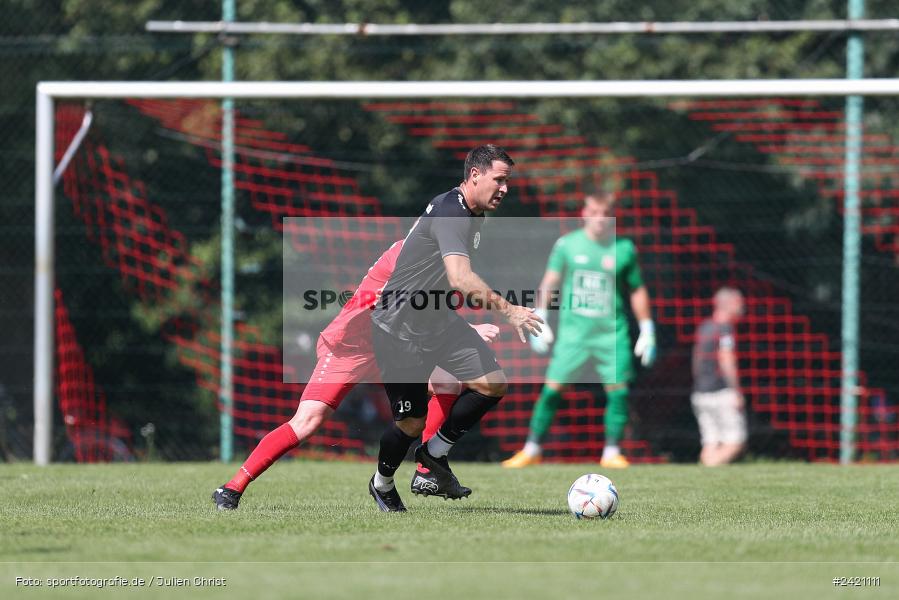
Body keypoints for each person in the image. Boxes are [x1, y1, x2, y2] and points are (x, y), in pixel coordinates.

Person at [211, 237, 498, 510]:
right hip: (350, 347)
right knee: (308, 421)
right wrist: (469, 331)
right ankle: (232, 487)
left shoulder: (434, 260)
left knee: (447, 382)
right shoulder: (409, 255)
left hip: (396, 345)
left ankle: (426, 470)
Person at [368, 144, 543, 512]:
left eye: (507, 181)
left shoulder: (473, 212)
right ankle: (382, 484)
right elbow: (461, 279)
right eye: (499, 180)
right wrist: (508, 311)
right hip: (398, 327)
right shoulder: (453, 212)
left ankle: (433, 457)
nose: (505, 189)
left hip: (436, 321)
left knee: (492, 384)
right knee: (412, 422)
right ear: (475, 176)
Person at [502, 189, 656, 470]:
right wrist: (541, 316)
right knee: (551, 391)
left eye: (605, 214)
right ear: (585, 214)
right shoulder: (568, 245)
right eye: (594, 213)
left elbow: (637, 290)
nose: (599, 219)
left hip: (612, 334)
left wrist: (647, 328)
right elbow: (551, 281)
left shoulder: (624, 249)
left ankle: (611, 452)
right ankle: (532, 449)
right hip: (574, 335)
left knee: (618, 392)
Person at [691, 287, 747, 466]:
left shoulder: (704, 327)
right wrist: (736, 391)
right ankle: (711, 467)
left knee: (710, 442)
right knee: (735, 442)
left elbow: (696, 359)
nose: (742, 308)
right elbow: (726, 358)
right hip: (721, 392)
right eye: (740, 303)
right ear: (730, 304)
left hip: (700, 392)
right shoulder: (725, 329)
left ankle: (704, 475)